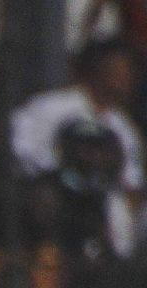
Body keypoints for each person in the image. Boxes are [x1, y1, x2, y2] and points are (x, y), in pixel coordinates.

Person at [13, 40, 144, 191]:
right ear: (98, 69)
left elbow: (131, 183)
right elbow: (20, 153)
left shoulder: (123, 128)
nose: (126, 79)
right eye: (120, 70)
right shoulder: (50, 107)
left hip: (104, 209)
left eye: (129, 73)